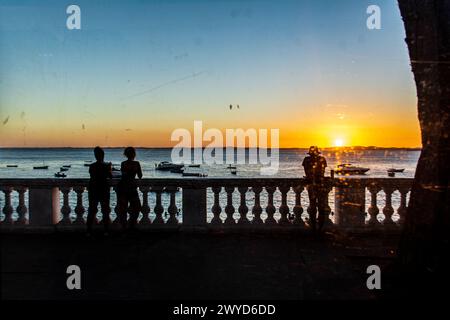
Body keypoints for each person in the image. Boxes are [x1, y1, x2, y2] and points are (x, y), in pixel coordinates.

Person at [302, 146, 330, 232]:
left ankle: (313, 228)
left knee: (313, 206)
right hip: (320, 185)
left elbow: (307, 172)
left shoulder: (306, 160)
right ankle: (320, 228)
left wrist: (309, 178)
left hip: (311, 185)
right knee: (321, 207)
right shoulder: (322, 159)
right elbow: (322, 172)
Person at [87, 146, 112, 235]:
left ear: (95, 156)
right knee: (105, 211)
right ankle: (106, 231)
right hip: (103, 189)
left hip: (93, 189)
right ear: (103, 155)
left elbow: (92, 176)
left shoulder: (92, 166)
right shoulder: (106, 166)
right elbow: (110, 176)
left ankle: (89, 231)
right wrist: (110, 168)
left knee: (92, 210)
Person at [117, 147, 143, 230]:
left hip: (123, 188)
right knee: (137, 207)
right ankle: (131, 225)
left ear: (126, 155)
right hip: (131, 188)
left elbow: (123, 175)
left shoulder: (123, 163)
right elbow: (140, 175)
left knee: (123, 210)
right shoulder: (136, 163)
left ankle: (124, 228)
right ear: (134, 154)